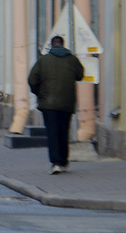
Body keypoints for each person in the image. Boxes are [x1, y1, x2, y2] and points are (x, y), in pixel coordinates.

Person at [27, 35, 85, 174]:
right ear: (63, 45)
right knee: (63, 132)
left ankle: (55, 162)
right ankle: (64, 161)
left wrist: (39, 93)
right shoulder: (72, 59)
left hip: (48, 104)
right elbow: (80, 75)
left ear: (51, 46)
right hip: (67, 103)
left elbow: (32, 79)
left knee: (52, 133)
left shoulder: (43, 61)